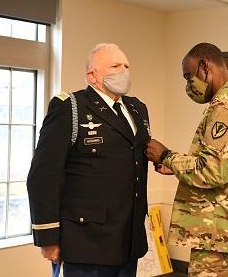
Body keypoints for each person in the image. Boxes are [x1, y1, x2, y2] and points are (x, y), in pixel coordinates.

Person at [27, 43, 151, 277]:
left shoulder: (137, 109)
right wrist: (47, 237)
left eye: (126, 65)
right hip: (87, 241)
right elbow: (42, 176)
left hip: (128, 238)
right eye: (115, 66)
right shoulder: (70, 108)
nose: (123, 71)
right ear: (92, 75)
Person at [145, 43, 228, 276]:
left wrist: (166, 155)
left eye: (188, 76)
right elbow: (226, 165)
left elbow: (214, 171)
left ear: (204, 66)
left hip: (222, 235)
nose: (188, 85)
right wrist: (176, 165)